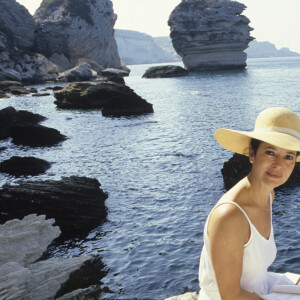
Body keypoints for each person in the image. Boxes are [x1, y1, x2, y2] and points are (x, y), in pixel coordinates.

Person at [198, 107, 300, 300]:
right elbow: (230, 295)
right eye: (270, 152)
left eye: (288, 156)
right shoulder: (230, 215)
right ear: (252, 154)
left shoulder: (268, 196)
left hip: (258, 289)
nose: (279, 164)